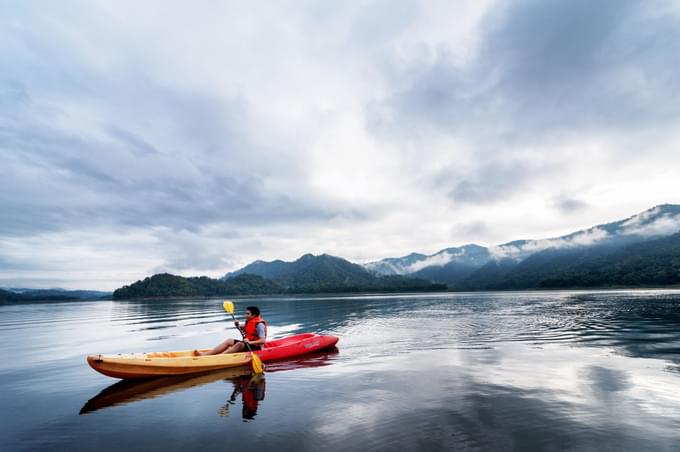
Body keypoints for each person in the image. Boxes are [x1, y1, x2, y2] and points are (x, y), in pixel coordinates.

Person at [196, 306, 267, 356]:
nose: (246, 315)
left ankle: (219, 357)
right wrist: (237, 325)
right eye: (246, 313)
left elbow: (263, 341)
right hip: (248, 344)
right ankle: (206, 354)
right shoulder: (250, 321)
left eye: (248, 314)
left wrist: (250, 342)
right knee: (229, 340)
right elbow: (242, 328)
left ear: (254, 315)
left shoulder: (259, 325)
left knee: (239, 344)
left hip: (256, 347)